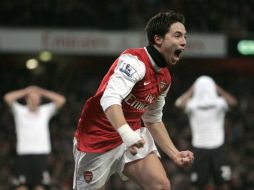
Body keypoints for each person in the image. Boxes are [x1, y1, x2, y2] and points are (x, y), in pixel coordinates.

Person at [73, 10, 194, 190]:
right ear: (158, 39)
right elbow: (109, 99)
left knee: (161, 185)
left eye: (184, 36)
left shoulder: (165, 78)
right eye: (177, 35)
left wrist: (175, 154)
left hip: (131, 137)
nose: (184, 41)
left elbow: (152, 119)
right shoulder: (133, 62)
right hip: (97, 139)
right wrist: (127, 134)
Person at [175, 76, 237, 190]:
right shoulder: (192, 104)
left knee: (223, 182)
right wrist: (193, 89)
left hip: (217, 146)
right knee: (198, 183)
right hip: (200, 147)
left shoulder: (219, 103)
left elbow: (233, 102)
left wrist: (217, 89)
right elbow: (178, 104)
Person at [3, 86, 66, 190]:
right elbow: (7, 98)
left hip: (41, 153)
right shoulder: (20, 110)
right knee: (21, 186)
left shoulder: (45, 111)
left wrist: (41, 91)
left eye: (37, 98)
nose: (35, 101)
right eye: (32, 98)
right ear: (27, 99)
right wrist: (26, 91)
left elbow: (61, 100)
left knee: (40, 186)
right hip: (24, 153)